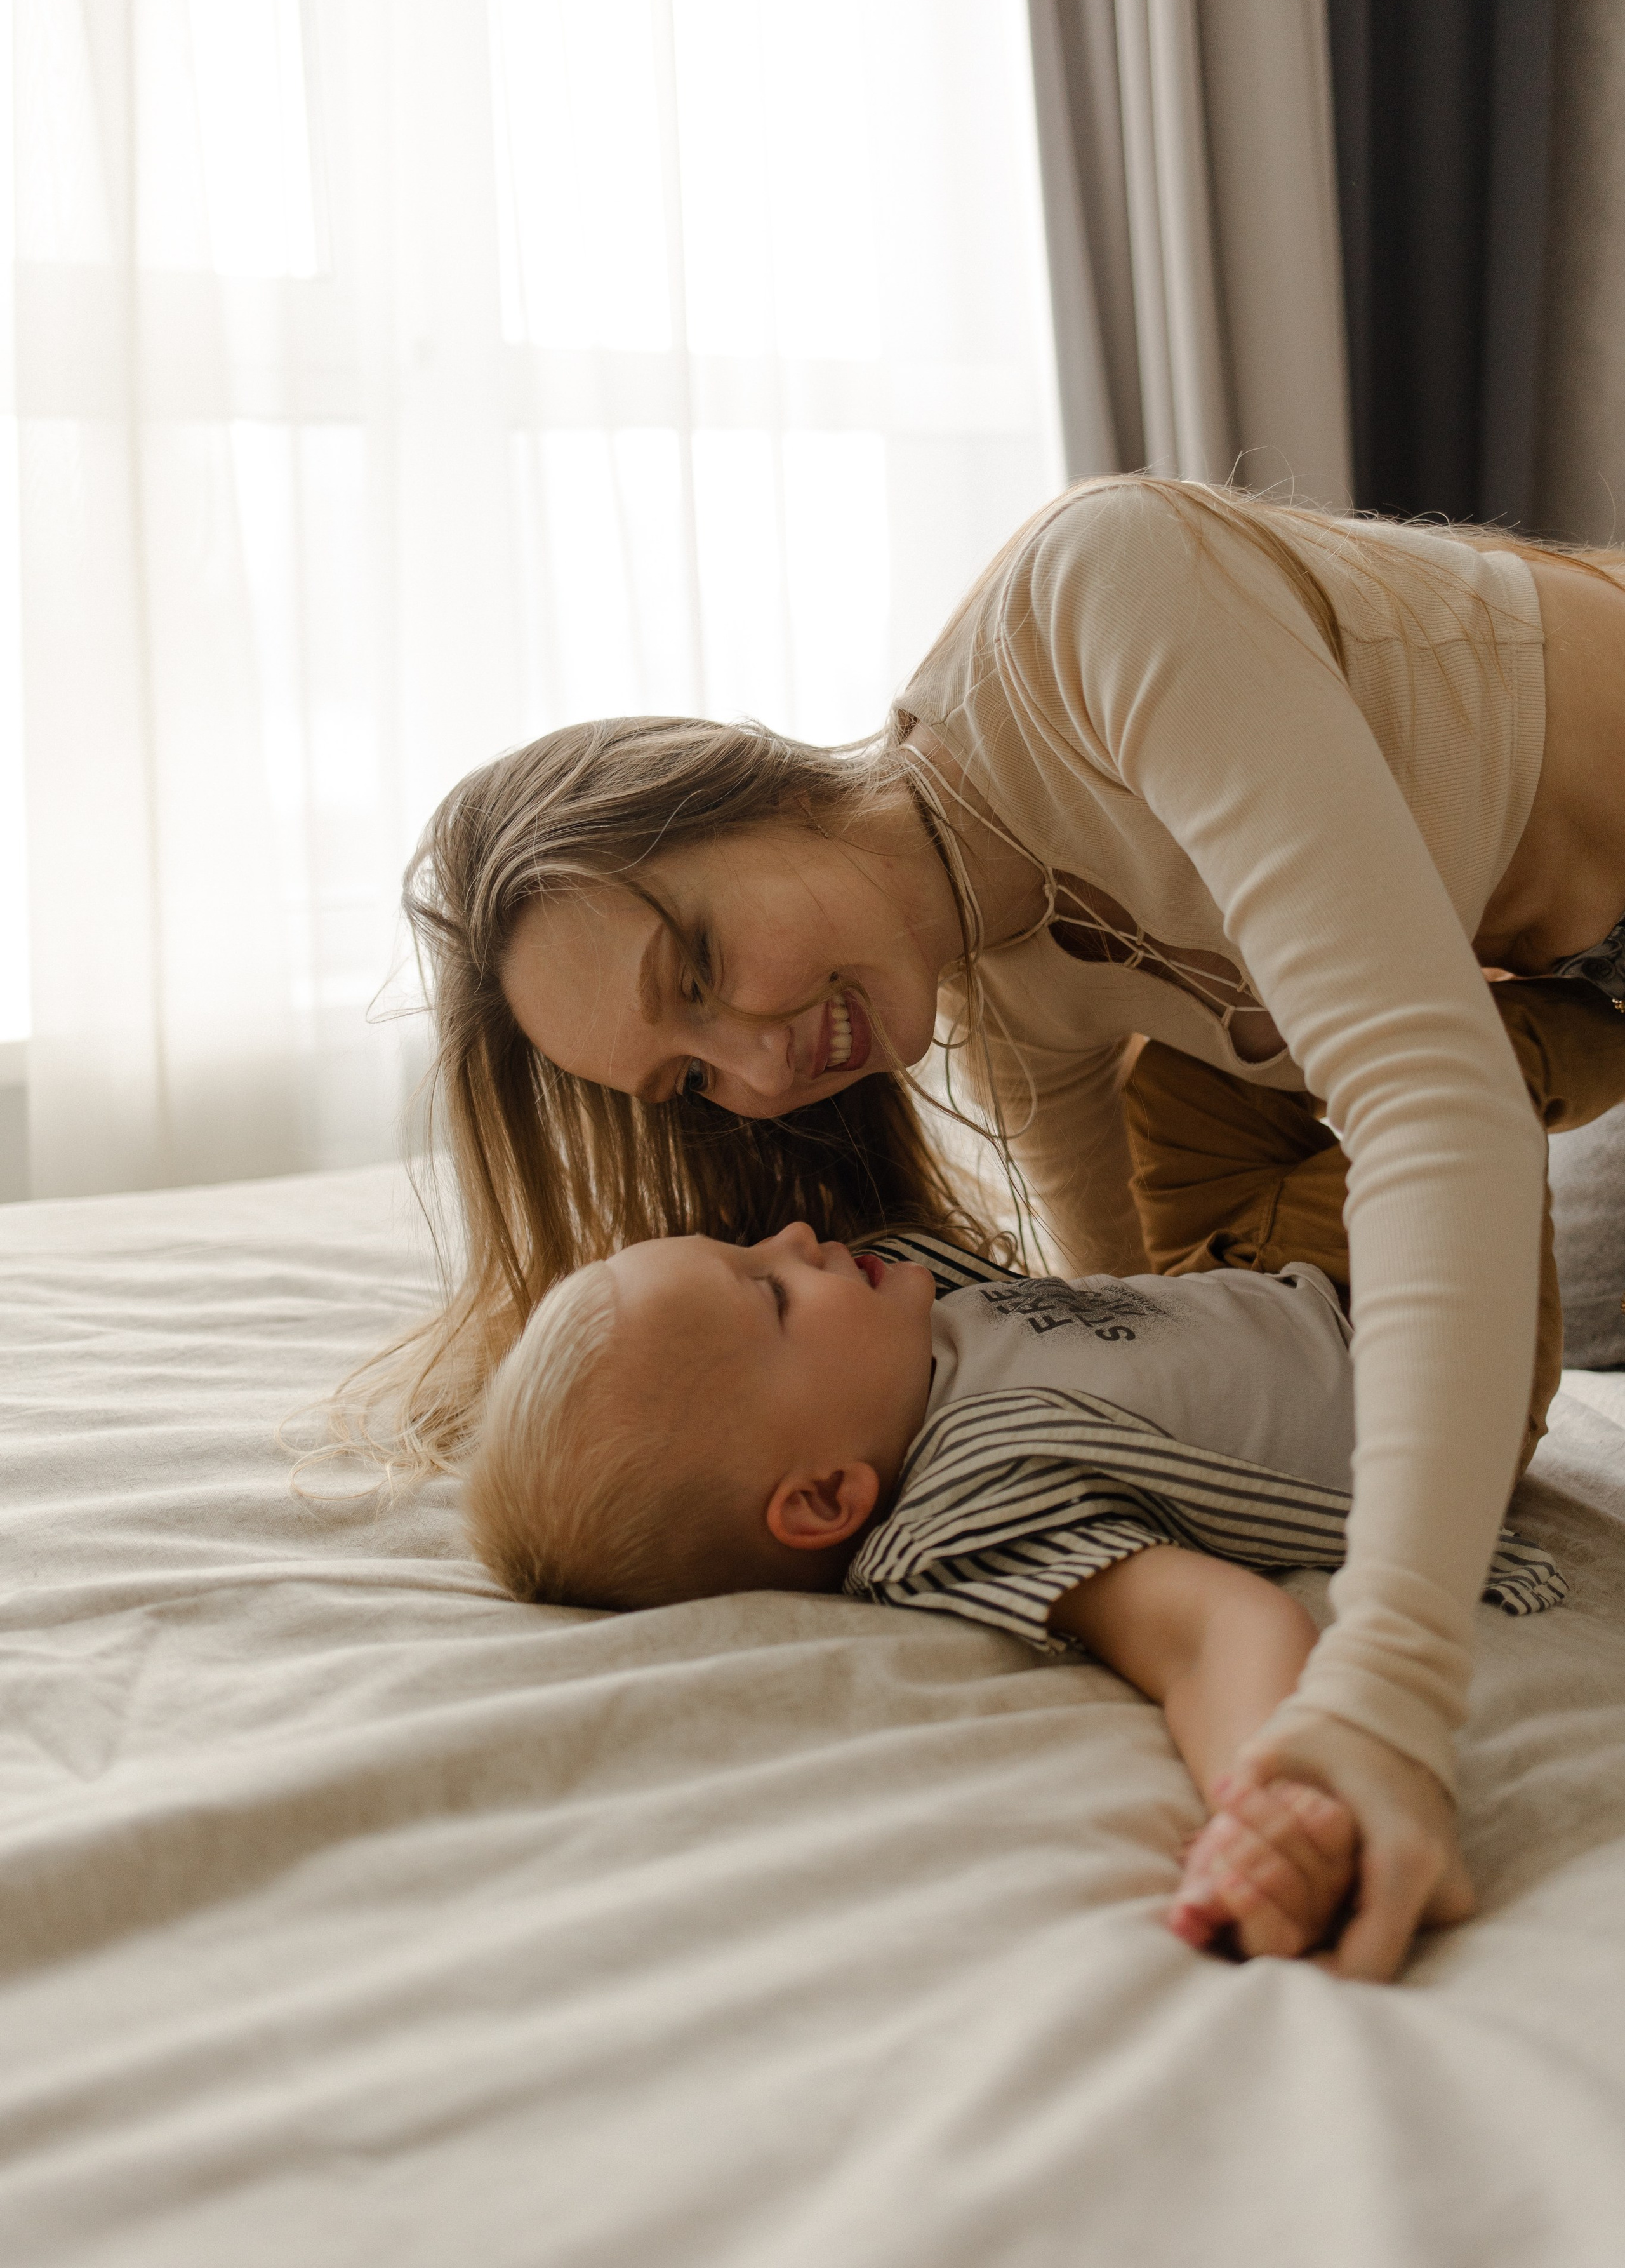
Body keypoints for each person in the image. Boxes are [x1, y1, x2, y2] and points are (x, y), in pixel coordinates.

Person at [355, 475, 1625, 1982]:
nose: (756, 1071)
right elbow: (1144, 1314)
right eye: (689, 1079)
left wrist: (1386, 1695)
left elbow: (1428, 1106)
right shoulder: (1009, 1016)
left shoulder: (1102, 596)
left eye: (695, 966)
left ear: (747, 791)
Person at [460, 1221, 1561, 1968]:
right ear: (828, 1499)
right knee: (1478, 1063)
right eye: (771, 1291)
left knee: (1189, 1047)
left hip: (1291, 1245)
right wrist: (1271, 1801)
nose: (794, 1236)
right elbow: (1204, 1635)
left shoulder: (901, 1334)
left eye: (746, 1245)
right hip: (1451, 1355)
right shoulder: (973, 1499)